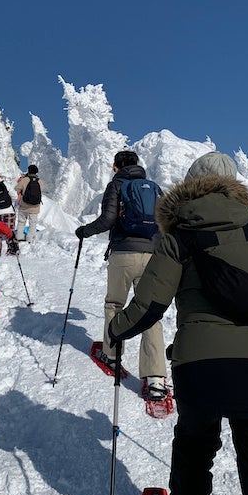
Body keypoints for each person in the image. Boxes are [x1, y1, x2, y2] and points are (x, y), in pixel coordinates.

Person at [108, 151, 248, 495]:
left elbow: (149, 307)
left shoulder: (178, 239)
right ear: (235, 189)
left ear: (189, 188)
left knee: (193, 458)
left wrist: (116, 328)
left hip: (201, 369)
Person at [74, 150, 168, 401]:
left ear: (117, 167)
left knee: (114, 304)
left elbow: (107, 219)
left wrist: (85, 231)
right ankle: (156, 379)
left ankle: (112, 355)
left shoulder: (116, 185)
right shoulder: (155, 188)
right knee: (150, 312)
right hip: (152, 257)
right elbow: (166, 224)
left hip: (123, 254)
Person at [14, 164, 43, 242]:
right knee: (33, 223)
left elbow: (16, 188)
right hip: (35, 207)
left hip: (24, 205)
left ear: (29, 171)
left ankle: (20, 237)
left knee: (21, 222)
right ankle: (30, 239)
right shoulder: (40, 181)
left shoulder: (25, 180)